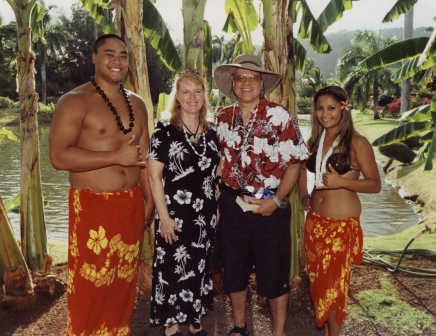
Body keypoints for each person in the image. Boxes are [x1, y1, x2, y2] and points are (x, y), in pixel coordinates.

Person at [49, 34, 154, 335]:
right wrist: (115, 156)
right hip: (93, 206)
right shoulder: (73, 101)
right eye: (109, 54)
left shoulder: (138, 103)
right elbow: (59, 156)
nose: (117, 61)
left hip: (131, 204)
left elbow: (144, 157)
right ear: (94, 57)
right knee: (90, 286)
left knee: (122, 285)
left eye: (123, 55)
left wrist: (148, 201)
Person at [214, 54, 309, 336]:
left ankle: (278, 332)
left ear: (261, 84)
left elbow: (295, 163)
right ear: (233, 83)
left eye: (252, 78)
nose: (246, 83)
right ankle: (239, 326)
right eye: (240, 77)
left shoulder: (280, 116)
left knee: (274, 274)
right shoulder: (222, 118)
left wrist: (276, 201)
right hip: (233, 205)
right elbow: (218, 162)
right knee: (235, 270)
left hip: (272, 205)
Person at [298, 86, 381, 336]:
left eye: (331, 108)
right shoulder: (315, 140)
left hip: (340, 226)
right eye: (320, 108)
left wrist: (342, 182)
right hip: (315, 223)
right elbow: (300, 167)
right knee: (318, 284)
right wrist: (304, 193)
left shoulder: (357, 142)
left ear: (344, 108)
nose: (325, 114)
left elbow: (375, 184)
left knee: (333, 287)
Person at [147, 69, 220, 336]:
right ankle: (171, 321)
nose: (192, 97)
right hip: (174, 212)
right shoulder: (164, 131)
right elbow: (154, 177)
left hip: (205, 214)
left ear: (205, 96)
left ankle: (194, 316)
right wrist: (164, 218)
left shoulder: (212, 133)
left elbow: (215, 176)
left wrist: (218, 210)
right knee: (172, 266)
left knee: (199, 265)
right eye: (186, 91)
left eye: (198, 91)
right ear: (177, 96)